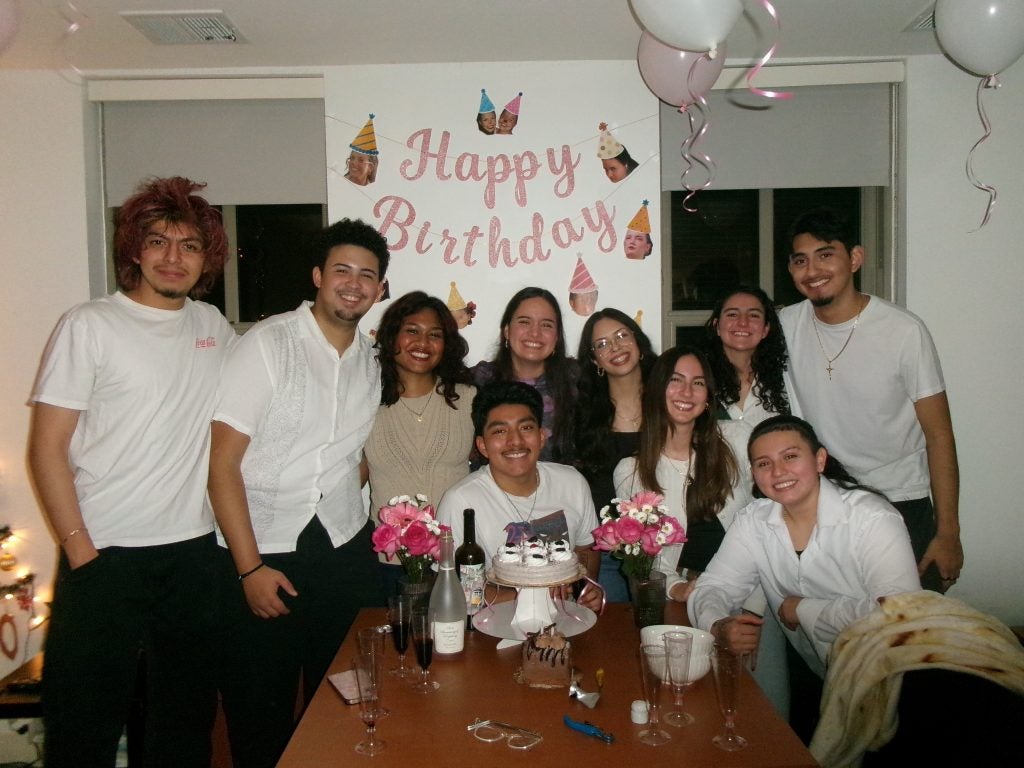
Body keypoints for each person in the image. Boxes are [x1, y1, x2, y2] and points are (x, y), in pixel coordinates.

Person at [27, 176, 235, 767]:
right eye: (159, 242)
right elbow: (46, 449)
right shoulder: (89, 325)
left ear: (206, 257)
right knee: (82, 724)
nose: (174, 257)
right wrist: (78, 549)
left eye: (189, 245)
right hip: (105, 554)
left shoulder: (213, 329)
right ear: (135, 251)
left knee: (184, 724)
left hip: (193, 556)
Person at [207, 218, 389, 768]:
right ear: (317, 276)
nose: (354, 284)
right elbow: (221, 466)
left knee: (342, 703)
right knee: (259, 710)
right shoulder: (268, 344)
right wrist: (248, 569)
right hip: (260, 549)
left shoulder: (371, 359)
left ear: (380, 290)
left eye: (368, 275)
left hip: (340, 547)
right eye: (342, 270)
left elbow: (351, 452)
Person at [688, 414, 921, 743]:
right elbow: (715, 586)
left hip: (896, 680)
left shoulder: (871, 518)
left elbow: (901, 615)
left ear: (820, 459)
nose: (778, 472)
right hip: (821, 674)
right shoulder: (754, 521)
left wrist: (805, 610)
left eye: (791, 456)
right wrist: (716, 624)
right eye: (763, 463)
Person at [779, 207, 961, 593]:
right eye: (801, 260)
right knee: (831, 634)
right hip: (825, 502)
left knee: (905, 637)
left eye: (826, 254)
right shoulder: (784, 326)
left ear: (855, 258)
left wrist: (948, 533)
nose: (813, 270)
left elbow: (939, 435)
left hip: (902, 503)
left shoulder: (903, 331)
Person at [437, 381, 600, 610]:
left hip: (565, 623)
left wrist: (583, 587)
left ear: (542, 436)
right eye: (500, 431)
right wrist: (536, 597)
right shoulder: (461, 501)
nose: (515, 441)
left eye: (526, 428)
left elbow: (586, 549)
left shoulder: (572, 482)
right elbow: (451, 585)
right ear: (482, 445)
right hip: (493, 628)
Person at [364, 291, 476, 598]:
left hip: (456, 556)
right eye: (412, 331)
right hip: (390, 560)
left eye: (435, 335)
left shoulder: (468, 399)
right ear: (391, 337)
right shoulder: (365, 401)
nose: (422, 343)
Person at [573, 308, 656, 601]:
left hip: (663, 549)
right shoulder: (583, 413)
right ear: (595, 359)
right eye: (603, 344)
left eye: (622, 336)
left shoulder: (669, 401)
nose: (616, 346)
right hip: (605, 553)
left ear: (639, 342)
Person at [472, 287, 579, 464]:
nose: (535, 333)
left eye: (546, 325)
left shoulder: (577, 380)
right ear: (506, 331)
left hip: (563, 488)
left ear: (557, 337)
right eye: (524, 322)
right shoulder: (479, 380)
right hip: (491, 489)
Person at [705, 285, 790, 425]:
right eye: (732, 314)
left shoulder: (786, 381)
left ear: (765, 329)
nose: (743, 322)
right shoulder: (699, 379)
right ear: (717, 326)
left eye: (754, 315)